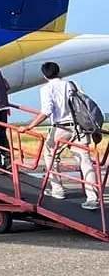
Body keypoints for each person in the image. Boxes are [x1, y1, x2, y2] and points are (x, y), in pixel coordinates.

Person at [23, 62, 100, 210]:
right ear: (59, 72)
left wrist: (29, 126)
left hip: (61, 127)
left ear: (44, 75)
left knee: (50, 155)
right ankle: (92, 198)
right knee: (85, 160)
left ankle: (57, 189)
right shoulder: (72, 84)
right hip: (79, 127)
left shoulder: (46, 89)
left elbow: (46, 111)